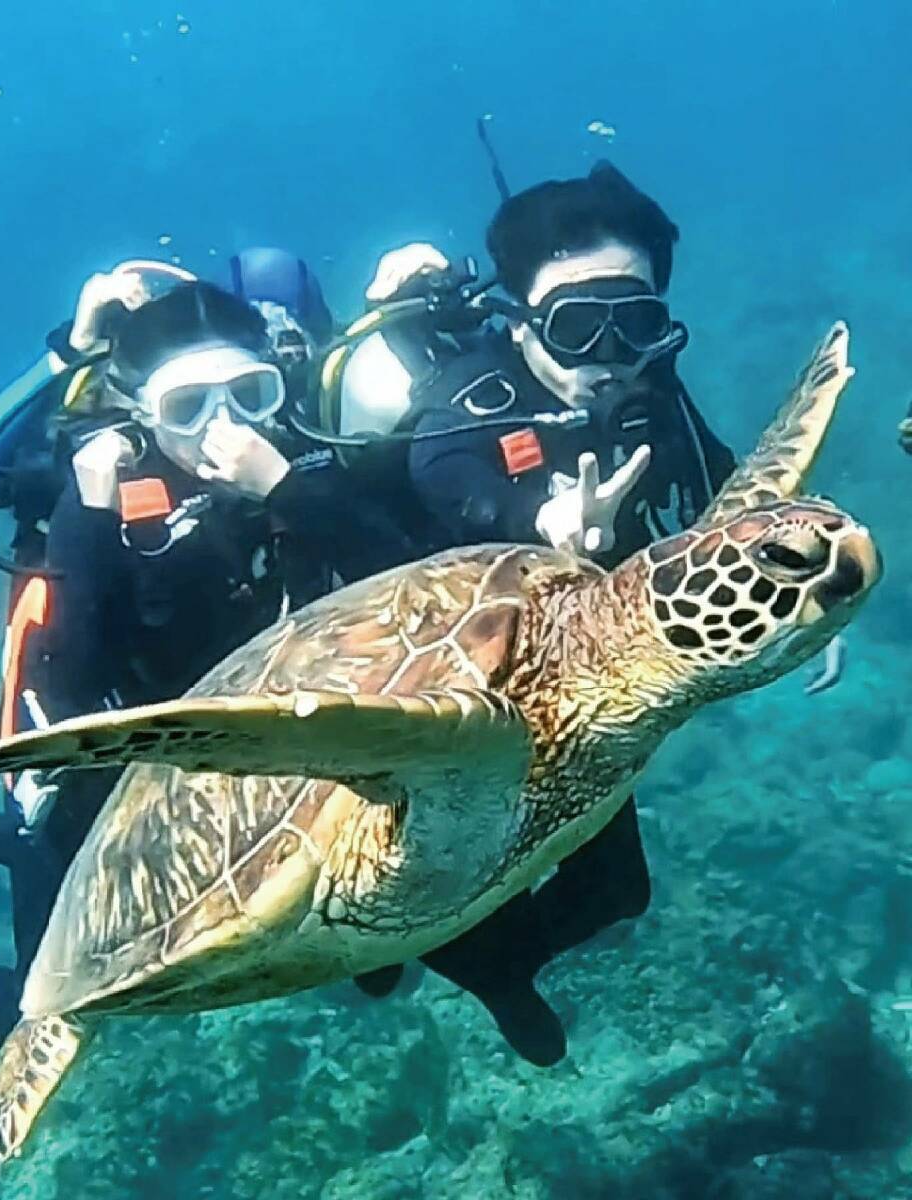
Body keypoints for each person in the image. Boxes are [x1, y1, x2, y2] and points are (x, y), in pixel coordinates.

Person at [0, 271, 417, 1070]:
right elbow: (67, 689)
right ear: (138, 411)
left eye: (248, 394)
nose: (221, 428)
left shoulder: (293, 467)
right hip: (95, 753)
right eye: (187, 407)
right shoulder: (101, 496)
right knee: (48, 1005)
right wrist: (89, 520)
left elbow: (406, 580)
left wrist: (289, 490)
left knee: (379, 963)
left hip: (238, 742)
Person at [323, 162, 843, 1061]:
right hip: (427, 681)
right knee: (397, 880)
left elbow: (735, 502)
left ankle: (490, 964)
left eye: (633, 323)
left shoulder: (651, 397)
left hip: (578, 679)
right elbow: (436, 478)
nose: (606, 354)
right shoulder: (469, 403)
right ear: (523, 319)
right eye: (574, 325)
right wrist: (538, 525)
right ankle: (394, 937)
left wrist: (808, 601)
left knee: (615, 892)